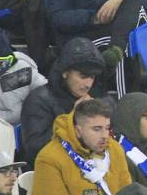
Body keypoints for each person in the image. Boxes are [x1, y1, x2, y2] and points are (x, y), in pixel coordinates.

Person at [27, 98, 131, 195]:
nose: (104, 136)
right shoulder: (49, 158)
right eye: (97, 129)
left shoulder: (114, 149)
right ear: (78, 131)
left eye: (107, 128)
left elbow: (127, 193)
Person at [20, 38, 106, 166]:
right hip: (50, 171)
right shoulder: (38, 100)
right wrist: (72, 119)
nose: (88, 84)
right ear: (65, 72)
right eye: (82, 76)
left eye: (92, 77)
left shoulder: (98, 99)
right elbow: (35, 150)